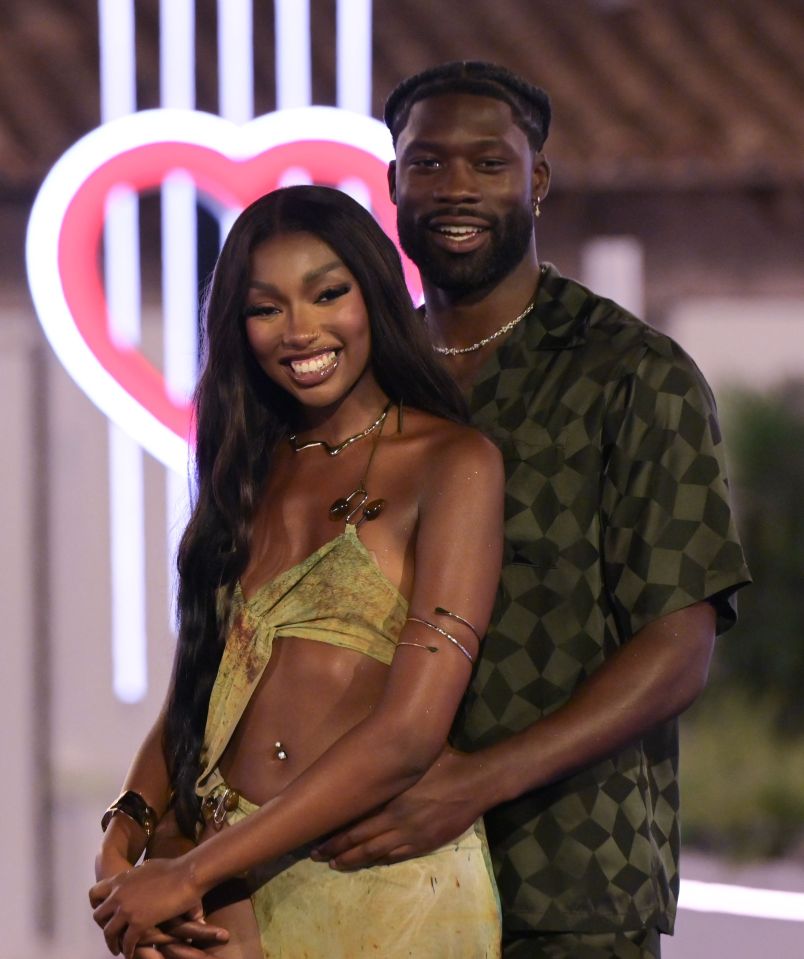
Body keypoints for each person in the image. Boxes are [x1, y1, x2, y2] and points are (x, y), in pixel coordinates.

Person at [310, 61, 752, 958]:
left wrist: (473, 783)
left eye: (487, 163)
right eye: (427, 166)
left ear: (536, 179)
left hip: (568, 884)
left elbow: (677, 648)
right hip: (374, 880)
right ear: (392, 183)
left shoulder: (632, 373)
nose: (455, 189)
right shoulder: (364, 378)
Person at [89, 184, 505, 959]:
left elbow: (410, 734)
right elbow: (196, 688)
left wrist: (188, 872)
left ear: (375, 294)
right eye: (266, 307)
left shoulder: (454, 463)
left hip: (380, 887)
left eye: (327, 294)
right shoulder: (246, 469)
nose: (300, 330)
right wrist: (129, 833)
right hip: (225, 893)